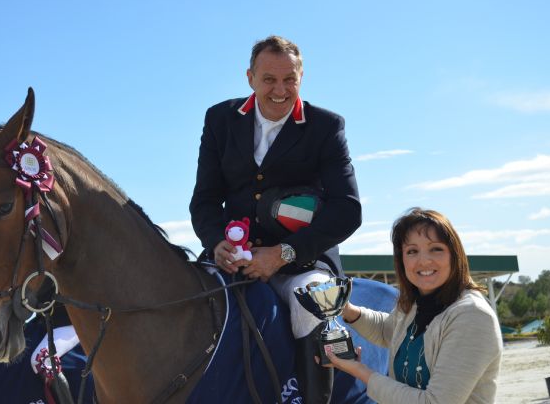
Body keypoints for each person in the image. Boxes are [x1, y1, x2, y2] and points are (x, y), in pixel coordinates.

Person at [190, 35, 361, 403]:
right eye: (269, 79)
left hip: (302, 260)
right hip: (232, 256)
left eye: (290, 79)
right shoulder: (219, 118)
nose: (280, 90)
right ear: (250, 77)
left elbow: (348, 209)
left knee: (310, 304)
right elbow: (204, 200)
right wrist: (216, 241)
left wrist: (282, 253)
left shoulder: (326, 126)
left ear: (301, 77)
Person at [322, 208, 502, 403]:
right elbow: (387, 331)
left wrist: (361, 372)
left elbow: (434, 401)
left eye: (436, 249)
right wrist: (347, 310)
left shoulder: (472, 315)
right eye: (412, 251)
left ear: (454, 254)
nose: (423, 261)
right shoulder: (416, 304)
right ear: (402, 260)